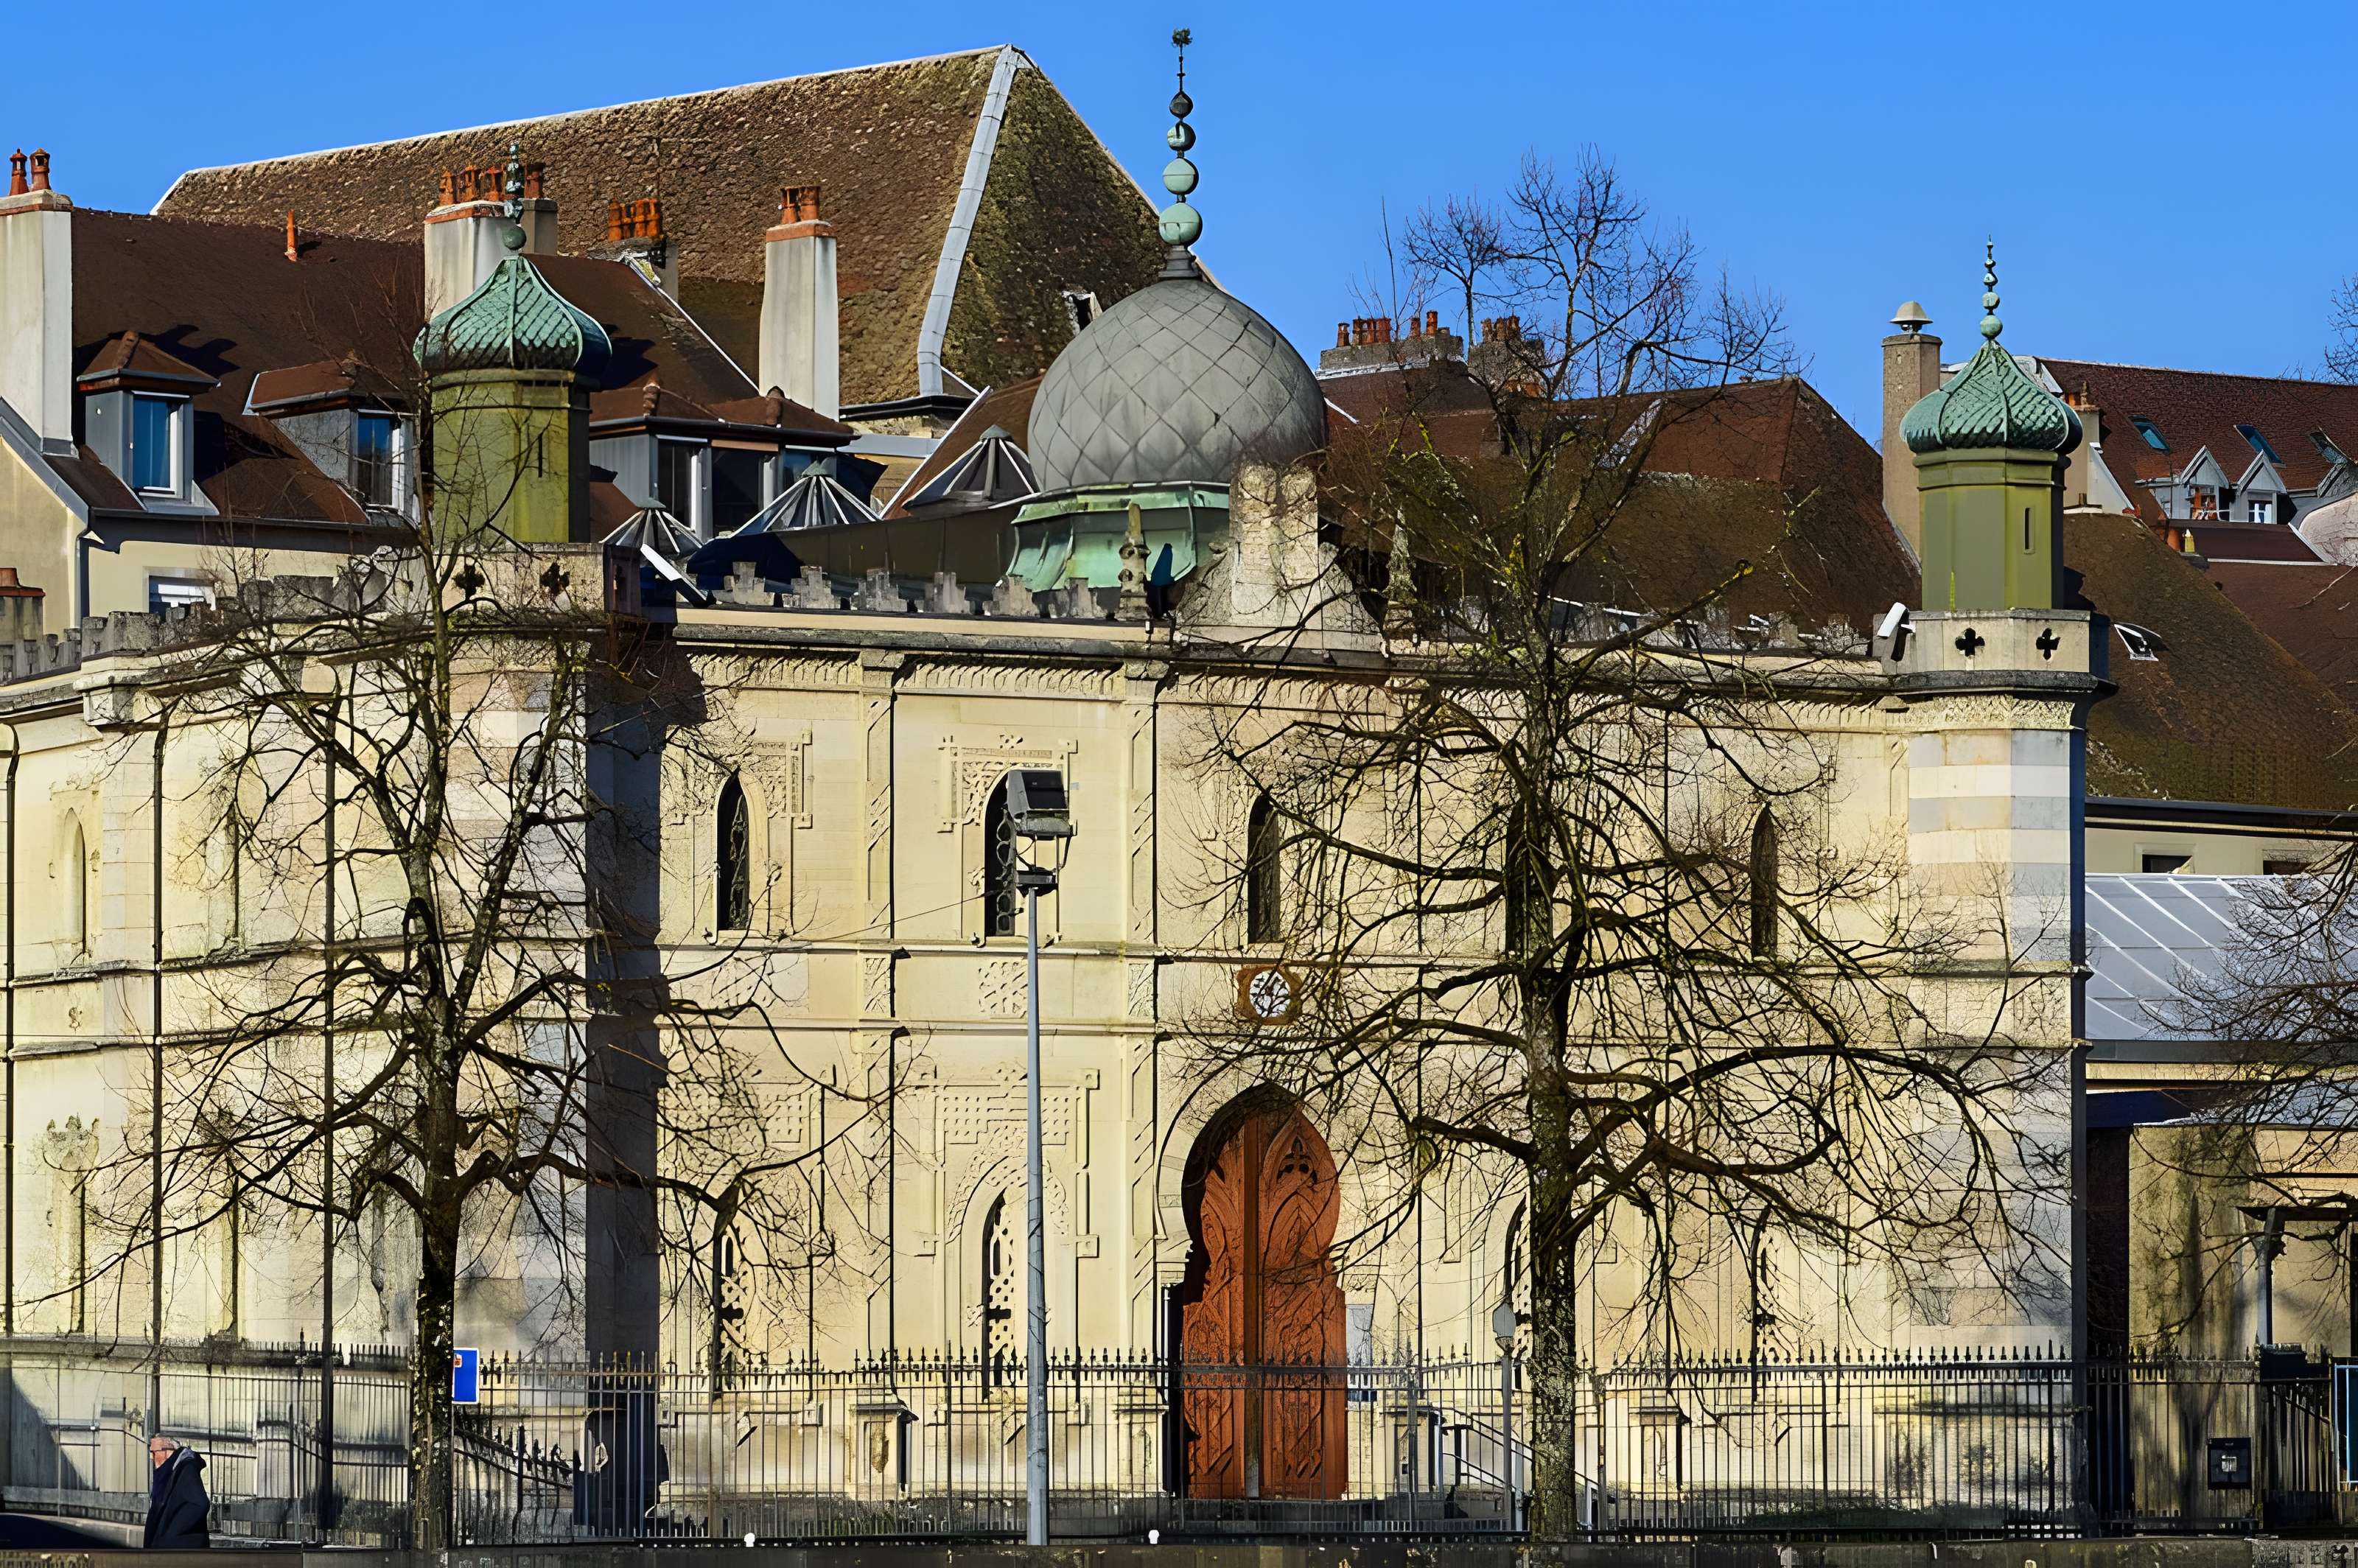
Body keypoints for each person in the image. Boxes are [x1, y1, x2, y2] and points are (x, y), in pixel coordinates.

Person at [142, 1434, 209, 1550]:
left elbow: (201, 1504)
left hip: (178, 1549)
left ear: (167, 1451)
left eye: (154, 1452)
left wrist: (171, 1534)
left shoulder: (186, 1469)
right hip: (169, 1549)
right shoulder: (169, 1472)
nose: (151, 1457)